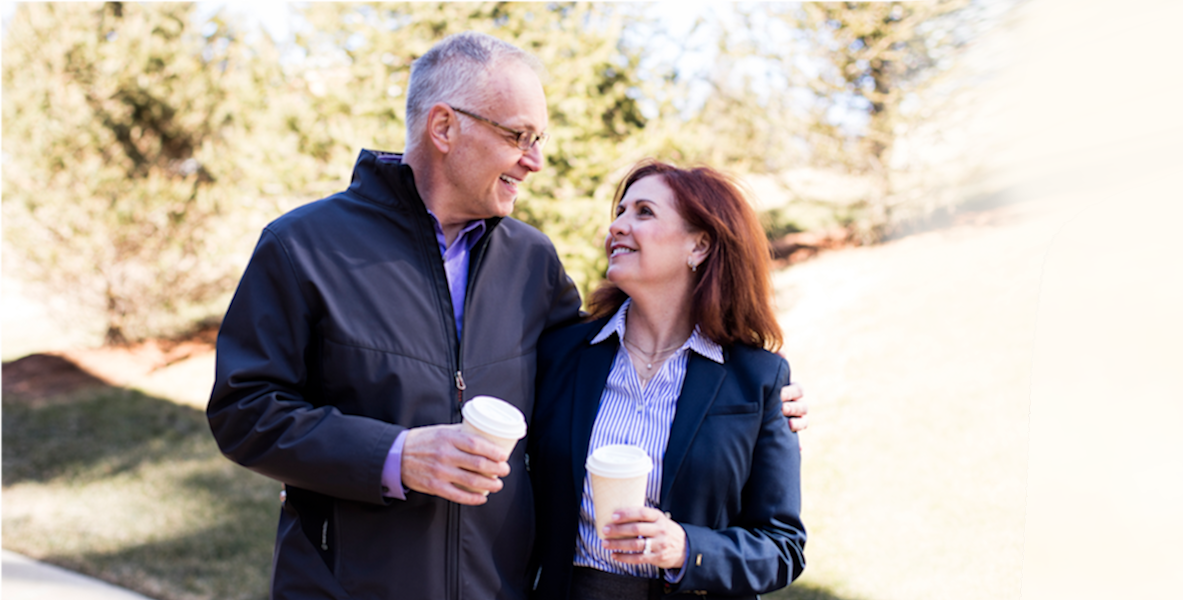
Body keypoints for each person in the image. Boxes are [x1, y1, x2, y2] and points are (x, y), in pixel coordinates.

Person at [206, 33, 806, 599]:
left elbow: (589, 374)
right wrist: (396, 455)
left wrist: (761, 401)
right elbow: (244, 410)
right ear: (444, 126)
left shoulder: (532, 262)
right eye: (520, 137)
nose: (535, 161)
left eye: (539, 139)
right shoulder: (303, 246)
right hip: (347, 586)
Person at [528, 160, 804, 600]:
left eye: (643, 212)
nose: (617, 226)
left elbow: (783, 547)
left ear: (699, 246)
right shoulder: (560, 353)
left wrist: (686, 549)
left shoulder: (759, 380)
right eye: (619, 212)